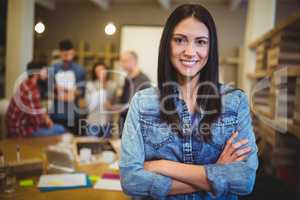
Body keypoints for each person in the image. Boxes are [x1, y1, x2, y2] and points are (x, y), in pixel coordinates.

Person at [120, 4, 258, 200]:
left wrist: (163, 166)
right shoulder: (142, 103)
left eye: (201, 42)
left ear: (211, 47)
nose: (190, 51)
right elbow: (131, 181)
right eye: (180, 40)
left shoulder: (235, 102)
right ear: (167, 43)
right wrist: (217, 172)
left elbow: (245, 180)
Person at [6, 61, 65, 137]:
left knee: (58, 127)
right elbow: (37, 121)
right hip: (20, 131)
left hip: (20, 125)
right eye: (45, 70)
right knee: (61, 130)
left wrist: (46, 118)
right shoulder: (31, 91)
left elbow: (37, 110)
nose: (47, 73)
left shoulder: (26, 83)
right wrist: (46, 120)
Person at [48, 39, 86, 134]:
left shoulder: (80, 69)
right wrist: (56, 90)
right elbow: (48, 90)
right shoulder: (53, 68)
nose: (66, 57)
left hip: (74, 114)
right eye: (64, 54)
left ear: (73, 53)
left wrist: (65, 89)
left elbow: (81, 92)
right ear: (60, 53)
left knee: (74, 141)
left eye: (69, 54)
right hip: (56, 114)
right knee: (56, 143)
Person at [118, 51, 151, 132]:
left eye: (124, 61)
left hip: (135, 124)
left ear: (133, 61)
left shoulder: (143, 80)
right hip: (124, 120)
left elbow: (144, 105)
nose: (121, 64)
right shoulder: (127, 78)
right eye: (121, 61)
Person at [85, 61, 116, 137]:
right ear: (95, 73)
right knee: (92, 145)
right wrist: (101, 84)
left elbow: (115, 104)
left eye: (102, 70)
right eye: (98, 71)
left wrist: (111, 106)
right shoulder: (90, 85)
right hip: (93, 121)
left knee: (106, 147)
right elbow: (89, 105)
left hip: (108, 122)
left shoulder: (113, 85)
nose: (101, 73)